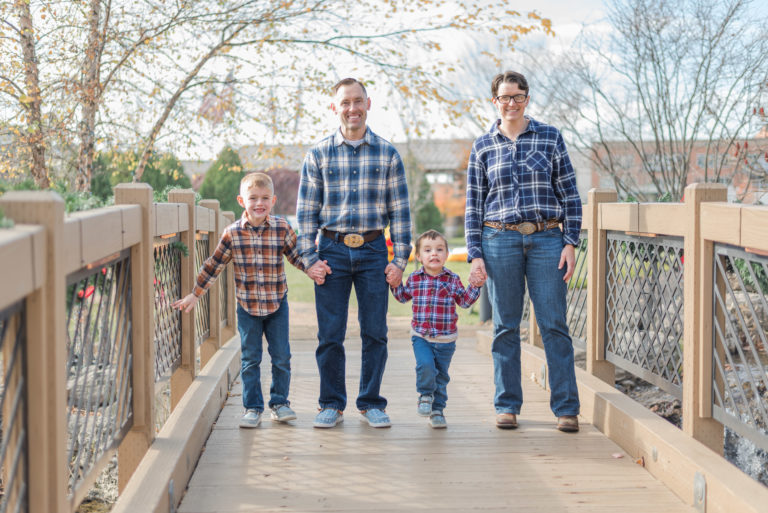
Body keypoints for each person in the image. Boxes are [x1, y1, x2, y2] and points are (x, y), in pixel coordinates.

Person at [465, 71, 582, 432]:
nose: (511, 103)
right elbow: (473, 204)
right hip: (499, 241)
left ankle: (566, 409)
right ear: (495, 101)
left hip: (547, 239)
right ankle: (507, 405)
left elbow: (570, 194)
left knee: (554, 324)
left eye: (518, 97)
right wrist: (475, 253)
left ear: (527, 98)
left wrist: (571, 242)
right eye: (505, 98)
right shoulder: (483, 146)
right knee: (505, 326)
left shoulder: (549, 137)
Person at [297, 77, 412, 429]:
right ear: (335, 107)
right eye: (345, 102)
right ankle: (331, 403)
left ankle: (371, 401)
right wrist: (310, 260)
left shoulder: (388, 153)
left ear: (368, 103)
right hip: (331, 250)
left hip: (375, 250)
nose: (352, 108)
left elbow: (401, 212)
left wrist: (399, 260)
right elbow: (306, 213)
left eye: (358, 101)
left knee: (375, 331)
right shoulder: (317, 154)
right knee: (330, 333)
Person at [173, 172, 312, 428]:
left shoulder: (282, 227)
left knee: (281, 356)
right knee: (251, 358)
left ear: (273, 200)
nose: (259, 203)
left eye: (265, 198)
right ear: (241, 200)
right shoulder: (232, 233)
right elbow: (214, 264)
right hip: (247, 307)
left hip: (276, 305)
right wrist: (195, 292)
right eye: (253, 198)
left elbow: (296, 255)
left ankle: (280, 403)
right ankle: (252, 407)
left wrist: (312, 268)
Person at [391, 230, 484, 429]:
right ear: (418, 256)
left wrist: (475, 286)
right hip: (421, 336)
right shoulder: (415, 278)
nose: (434, 254)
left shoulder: (452, 279)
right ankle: (425, 395)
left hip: (446, 339)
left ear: (447, 254)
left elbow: (465, 302)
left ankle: (437, 410)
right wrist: (395, 284)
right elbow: (403, 297)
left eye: (439, 249)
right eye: (428, 250)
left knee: (441, 376)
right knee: (425, 365)